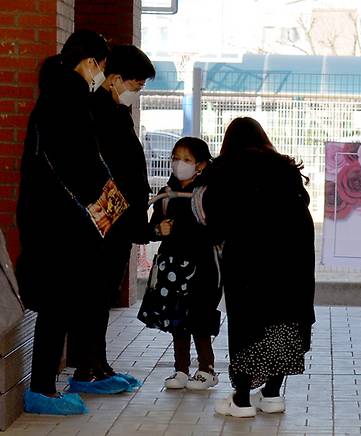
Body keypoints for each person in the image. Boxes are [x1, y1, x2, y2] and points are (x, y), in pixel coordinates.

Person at [16, 30, 115, 415]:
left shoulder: (56, 95)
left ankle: (45, 386)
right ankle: (41, 387)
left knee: (58, 301)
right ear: (89, 61)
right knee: (58, 302)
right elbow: (81, 162)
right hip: (60, 221)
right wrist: (109, 205)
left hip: (48, 218)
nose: (100, 76)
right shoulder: (69, 98)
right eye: (101, 67)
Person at [198, 117, 315, 418]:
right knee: (282, 321)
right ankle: (273, 395)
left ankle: (241, 400)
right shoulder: (285, 167)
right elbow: (302, 207)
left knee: (247, 325)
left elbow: (213, 216)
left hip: (248, 259)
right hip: (292, 259)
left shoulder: (224, 168)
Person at [69, 44, 156, 392]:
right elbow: (106, 171)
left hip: (119, 220)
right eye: (136, 85)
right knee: (95, 292)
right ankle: (87, 368)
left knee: (103, 293)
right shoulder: (96, 113)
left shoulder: (115, 112)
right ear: (115, 78)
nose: (135, 92)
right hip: (105, 221)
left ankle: (99, 363)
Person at [147, 137, 222, 390]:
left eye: (187, 160)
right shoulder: (165, 195)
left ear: (200, 165)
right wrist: (159, 229)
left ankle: (206, 369)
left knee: (200, 318)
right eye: (176, 158)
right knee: (177, 320)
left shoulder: (208, 194)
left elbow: (218, 230)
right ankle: (180, 369)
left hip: (204, 269)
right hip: (172, 269)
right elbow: (151, 228)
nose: (180, 164)